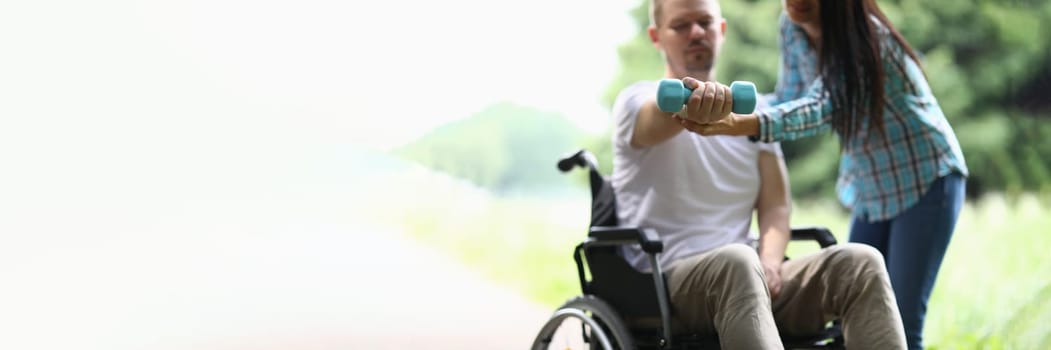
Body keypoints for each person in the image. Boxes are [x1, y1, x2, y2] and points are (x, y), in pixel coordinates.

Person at [610, 0, 907, 348]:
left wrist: (770, 261)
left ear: (720, 31)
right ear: (656, 37)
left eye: (704, 22)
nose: (695, 33)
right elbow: (655, 119)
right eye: (681, 25)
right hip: (668, 282)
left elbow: (776, 207)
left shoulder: (755, 115)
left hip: (751, 274)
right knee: (737, 261)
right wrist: (691, 103)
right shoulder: (635, 102)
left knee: (860, 261)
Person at [675, 0, 968, 348]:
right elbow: (790, 96)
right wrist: (719, 100)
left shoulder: (870, 41)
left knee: (901, 319)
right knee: (854, 315)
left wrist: (738, 125)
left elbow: (819, 108)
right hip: (871, 185)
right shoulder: (792, 27)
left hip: (927, 177)